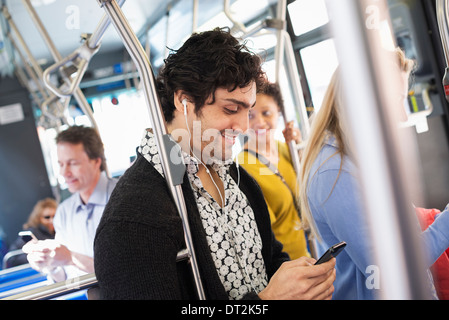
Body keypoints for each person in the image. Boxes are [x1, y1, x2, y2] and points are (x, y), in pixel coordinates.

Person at [94, 27, 336, 300]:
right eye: (231, 109)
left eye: (249, 110)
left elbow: (266, 259)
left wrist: (300, 283)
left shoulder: (236, 177)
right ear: (183, 100)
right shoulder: (133, 218)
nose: (244, 126)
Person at [299, 48, 449, 299]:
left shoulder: (357, 158)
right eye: (395, 101)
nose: (402, 115)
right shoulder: (333, 173)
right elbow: (392, 270)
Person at [23, 125, 118, 282]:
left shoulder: (123, 199)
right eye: (61, 164)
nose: (64, 173)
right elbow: (64, 277)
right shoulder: (64, 212)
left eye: (72, 163)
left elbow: (126, 271)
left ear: (96, 162)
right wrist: (50, 264)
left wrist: (71, 258)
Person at [237, 82, 309, 260]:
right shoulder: (242, 167)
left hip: (307, 253)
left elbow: (309, 187)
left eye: (266, 113)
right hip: (285, 265)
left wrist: (298, 149)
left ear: (279, 111)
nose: (259, 122)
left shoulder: (285, 148)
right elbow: (263, 231)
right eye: (250, 116)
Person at [7, 198, 57, 268]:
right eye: (47, 217)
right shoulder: (32, 232)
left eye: (54, 216)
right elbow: (13, 257)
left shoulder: (60, 231)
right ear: (38, 218)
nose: (51, 220)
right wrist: (36, 256)